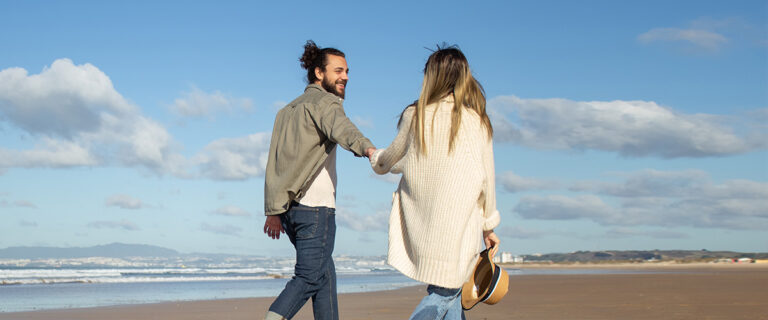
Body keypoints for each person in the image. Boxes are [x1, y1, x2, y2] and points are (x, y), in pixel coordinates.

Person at [370, 45, 501, 320]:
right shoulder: (478, 121)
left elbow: (392, 159)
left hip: (427, 223)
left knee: (450, 289)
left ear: (431, 76)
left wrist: (375, 157)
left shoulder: (415, 114)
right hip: (462, 223)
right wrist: (488, 226)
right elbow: (487, 179)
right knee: (446, 290)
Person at [263, 40, 376, 320]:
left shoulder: (286, 111)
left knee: (324, 277)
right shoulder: (326, 103)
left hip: (291, 212)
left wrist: (273, 211)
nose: (345, 77)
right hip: (316, 209)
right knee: (308, 278)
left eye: (347, 71)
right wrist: (370, 150)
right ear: (318, 73)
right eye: (338, 71)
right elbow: (344, 130)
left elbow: (275, 163)